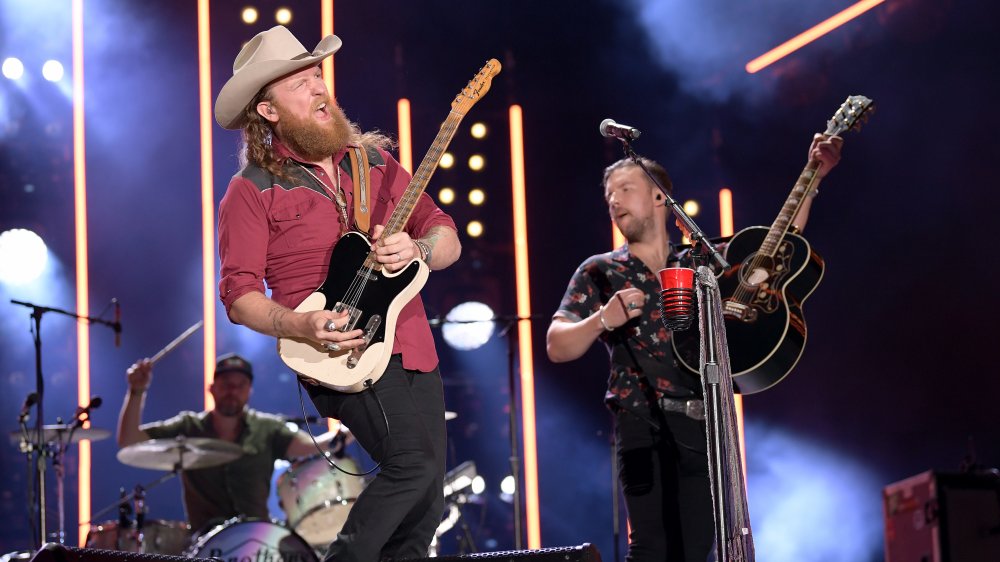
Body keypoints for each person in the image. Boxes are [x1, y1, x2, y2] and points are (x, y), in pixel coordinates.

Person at [213, 25, 461, 562]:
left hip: (412, 343)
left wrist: (418, 249)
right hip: (337, 348)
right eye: (299, 84)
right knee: (412, 466)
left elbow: (447, 238)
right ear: (269, 111)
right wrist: (298, 324)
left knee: (424, 511)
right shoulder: (251, 189)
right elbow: (238, 294)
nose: (319, 89)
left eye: (317, 75)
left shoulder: (371, 164)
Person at [546, 136, 843, 561]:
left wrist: (813, 177)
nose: (614, 201)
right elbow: (557, 346)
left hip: (705, 425)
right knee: (650, 547)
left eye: (625, 189)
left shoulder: (703, 262)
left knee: (698, 549)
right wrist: (602, 320)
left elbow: (777, 249)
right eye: (609, 195)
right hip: (639, 421)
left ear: (659, 197)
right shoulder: (600, 270)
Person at [116, 353, 346, 534]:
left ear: (249, 391)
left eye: (240, 385)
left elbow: (316, 445)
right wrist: (137, 391)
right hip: (204, 542)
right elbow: (129, 440)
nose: (232, 391)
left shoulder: (267, 427)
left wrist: (352, 425)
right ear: (212, 388)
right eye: (226, 383)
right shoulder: (188, 427)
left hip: (257, 541)